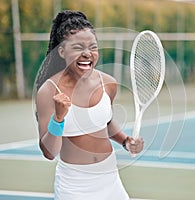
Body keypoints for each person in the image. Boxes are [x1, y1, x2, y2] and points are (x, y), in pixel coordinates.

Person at [34, 10, 144, 200]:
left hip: (110, 180)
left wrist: (126, 141)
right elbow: (49, 152)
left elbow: (106, 123)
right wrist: (58, 119)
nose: (87, 53)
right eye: (78, 47)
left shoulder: (108, 83)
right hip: (74, 186)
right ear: (61, 51)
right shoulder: (48, 91)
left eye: (93, 47)